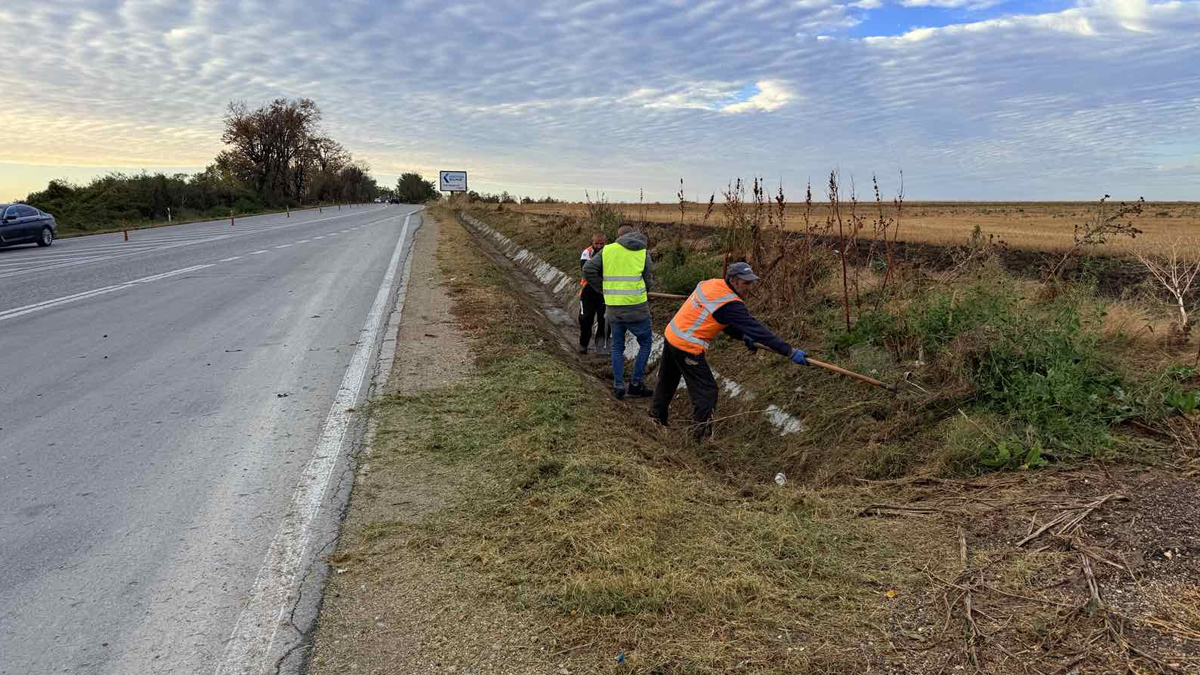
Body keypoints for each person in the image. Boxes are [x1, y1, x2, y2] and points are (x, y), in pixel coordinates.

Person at [651, 262, 808, 440]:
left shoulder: (712, 285)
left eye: (751, 283)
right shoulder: (729, 303)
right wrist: (789, 351)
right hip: (687, 346)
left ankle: (656, 418)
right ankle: (699, 438)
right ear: (733, 280)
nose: (749, 288)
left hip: (672, 335)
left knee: (668, 380)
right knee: (707, 392)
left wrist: (742, 336)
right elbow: (757, 330)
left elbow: (719, 318)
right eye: (746, 283)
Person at [583, 225, 654, 400]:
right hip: (637, 308)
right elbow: (648, 282)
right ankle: (636, 384)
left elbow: (588, 270)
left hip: (614, 308)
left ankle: (618, 386)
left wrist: (603, 289)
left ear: (619, 236)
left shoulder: (607, 250)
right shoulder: (643, 252)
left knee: (617, 346)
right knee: (645, 343)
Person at [578, 234, 608, 354]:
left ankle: (601, 347)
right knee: (585, 319)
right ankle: (583, 344)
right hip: (588, 291)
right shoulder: (587, 253)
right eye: (596, 243)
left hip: (603, 293)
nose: (599, 246)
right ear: (592, 243)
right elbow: (585, 271)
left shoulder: (609, 253)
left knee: (604, 320)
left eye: (602, 244)